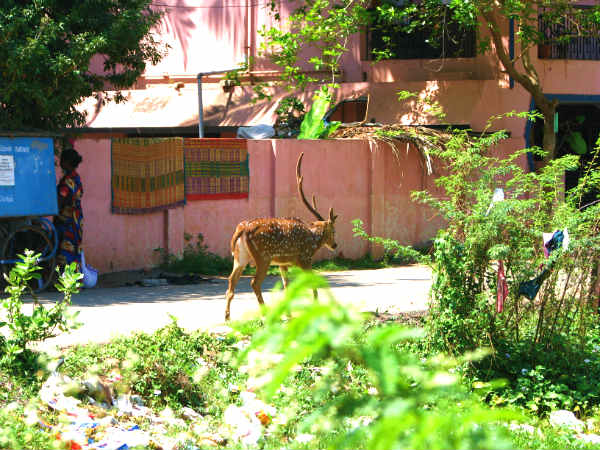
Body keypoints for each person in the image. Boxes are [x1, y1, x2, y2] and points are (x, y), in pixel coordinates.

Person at [54, 148, 84, 268]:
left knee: (65, 250)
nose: (60, 163)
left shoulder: (67, 181)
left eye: (62, 160)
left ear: (66, 162)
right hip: (77, 219)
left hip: (66, 220)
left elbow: (61, 199)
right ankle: (74, 281)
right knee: (75, 249)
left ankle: (66, 281)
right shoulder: (76, 178)